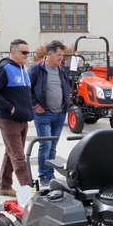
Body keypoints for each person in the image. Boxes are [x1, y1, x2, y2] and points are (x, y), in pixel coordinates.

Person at [0, 39, 34, 197]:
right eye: (24, 52)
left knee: (11, 153)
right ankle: (29, 192)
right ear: (13, 52)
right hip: (9, 121)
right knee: (19, 157)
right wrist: (11, 108)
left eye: (28, 52)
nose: (27, 55)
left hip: (22, 120)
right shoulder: (5, 68)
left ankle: (5, 186)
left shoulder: (22, 68)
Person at [28, 40, 71, 187]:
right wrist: (36, 105)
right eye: (59, 55)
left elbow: (66, 87)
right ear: (50, 54)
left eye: (62, 55)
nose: (61, 58)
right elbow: (28, 90)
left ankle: (50, 173)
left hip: (59, 114)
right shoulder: (36, 69)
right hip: (43, 113)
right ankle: (43, 175)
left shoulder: (62, 69)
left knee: (53, 146)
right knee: (45, 145)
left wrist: (67, 104)